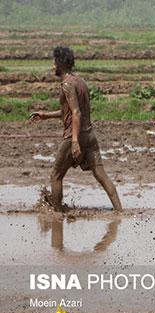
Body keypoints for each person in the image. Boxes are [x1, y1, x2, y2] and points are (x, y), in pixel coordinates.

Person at [31, 46, 122, 212]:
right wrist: (46, 115)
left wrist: (74, 142)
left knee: (56, 176)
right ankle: (120, 211)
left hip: (74, 136)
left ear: (60, 63)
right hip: (90, 135)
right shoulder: (80, 82)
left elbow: (76, 112)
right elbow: (72, 111)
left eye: (54, 63)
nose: (53, 67)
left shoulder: (66, 85)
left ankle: (56, 215)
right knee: (101, 175)